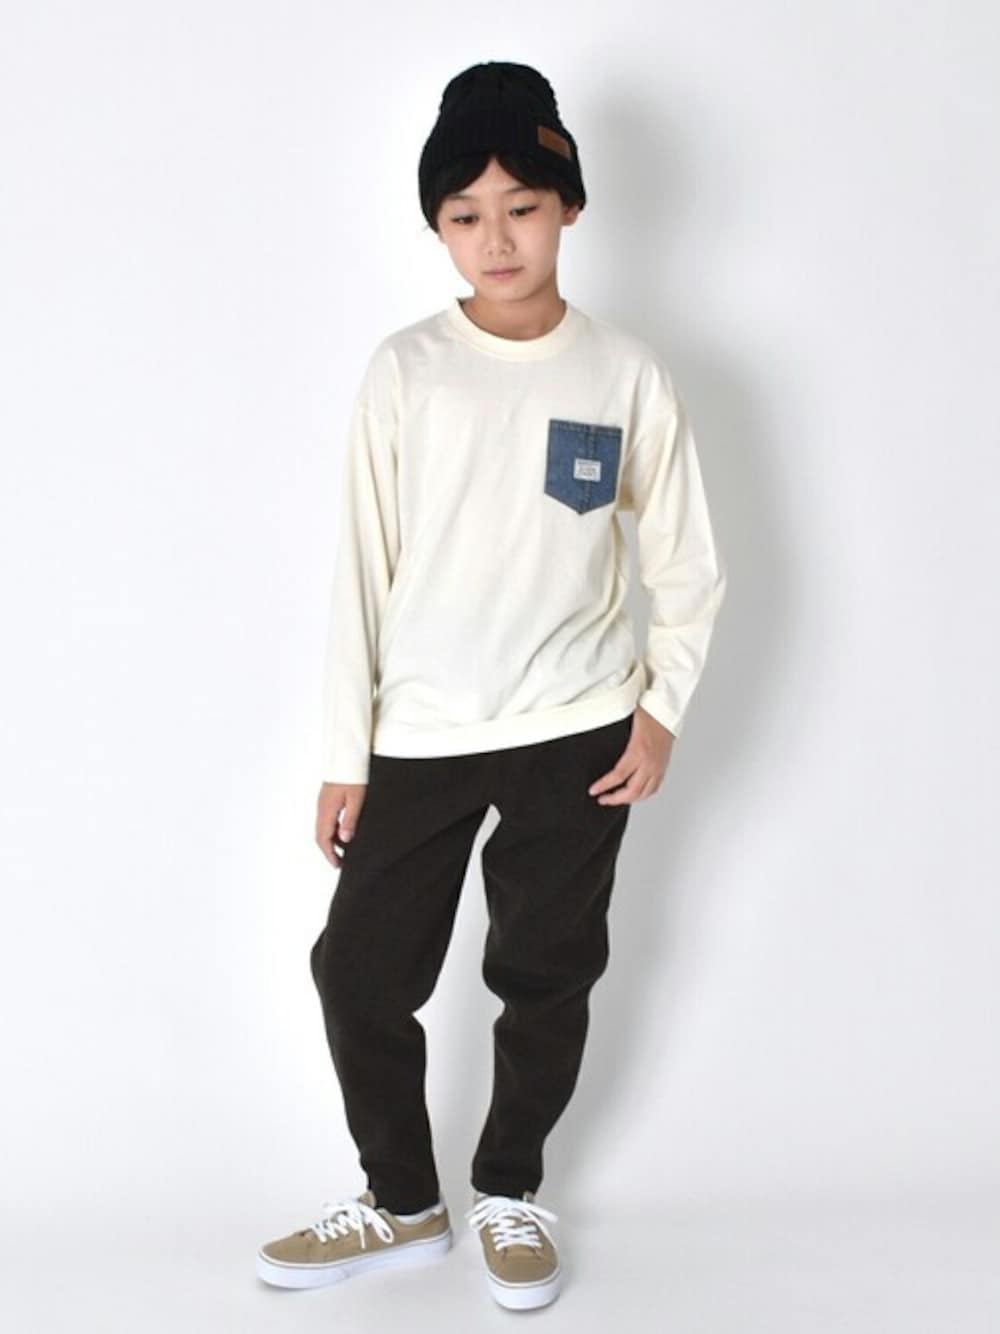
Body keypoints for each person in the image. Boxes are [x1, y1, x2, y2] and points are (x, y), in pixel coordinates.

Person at [256, 59, 727, 1312]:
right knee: (358, 969)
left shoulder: (622, 372)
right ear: (437, 228)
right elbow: (361, 567)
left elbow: (686, 561)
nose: (496, 237)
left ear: (569, 206)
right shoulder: (406, 369)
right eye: (464, 214)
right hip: (420, 728)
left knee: (546, 969)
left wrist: (662, 706)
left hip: (579, 727)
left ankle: (510, 1187)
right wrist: (344, 751)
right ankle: (404, 1199)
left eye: (521, 205)